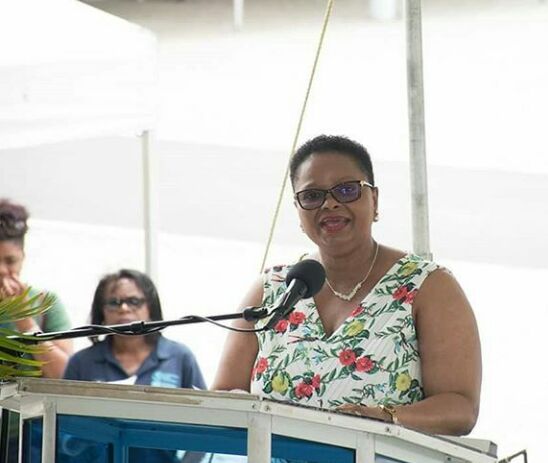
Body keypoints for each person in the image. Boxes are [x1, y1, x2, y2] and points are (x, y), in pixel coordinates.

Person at [213, 135, 482, 436]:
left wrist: (385, 417)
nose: (330, 203)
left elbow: (460, 408)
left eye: (347, 190)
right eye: (313, 195)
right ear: (299, 211)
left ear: (375, 200)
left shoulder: (428, 287)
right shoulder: (272, 289)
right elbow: (225, 394)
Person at [63, 269, 206, 390]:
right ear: (101, 312)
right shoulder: (81, 362)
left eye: (134, 302)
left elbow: (204, 414)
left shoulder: (180, 357)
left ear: (150, 308)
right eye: (114, 303)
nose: (124, 309)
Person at [0, 199, 73, 378]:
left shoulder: (46, 303)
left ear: (23, 258)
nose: (2, 270)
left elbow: (65, 375)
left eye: (10, 261)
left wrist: (26, 322)